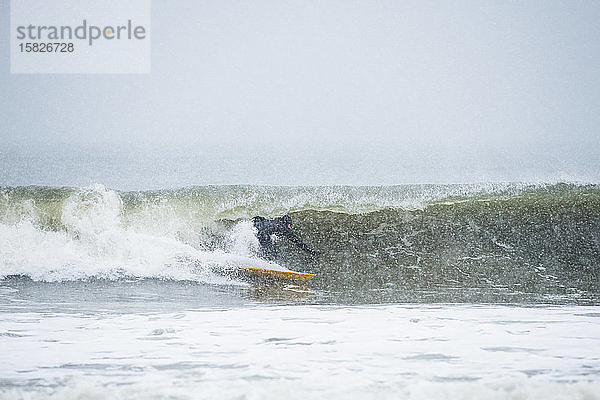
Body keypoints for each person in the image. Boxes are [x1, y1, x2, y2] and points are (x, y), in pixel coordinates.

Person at [252, 215, 318, 261]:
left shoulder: (273, 220)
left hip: (254, 230)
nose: (290, 227)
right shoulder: (284, 227)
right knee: (273, 255)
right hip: (264, 235)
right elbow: (297, 242)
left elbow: (258, 218)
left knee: (266, 248)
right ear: (287, 223)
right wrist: (310, 251)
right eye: (290, 224)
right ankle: (270, 266)